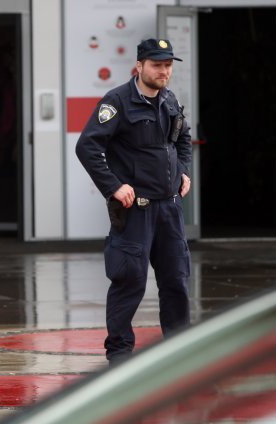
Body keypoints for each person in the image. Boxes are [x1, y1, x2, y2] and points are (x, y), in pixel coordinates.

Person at [75, 38, 193, 366]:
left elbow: (183, 138)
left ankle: (179, 352)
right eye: (157, 65)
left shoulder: (169, 100)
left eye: (168, 65)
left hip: (169, 209)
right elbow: (87, 147)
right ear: (139, 66)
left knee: (176, 282)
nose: (164, 71)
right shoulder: (118, 102)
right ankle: (119, 355)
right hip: (135, 211)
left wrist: (183, 170)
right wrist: (113, 186)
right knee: (130, 282)